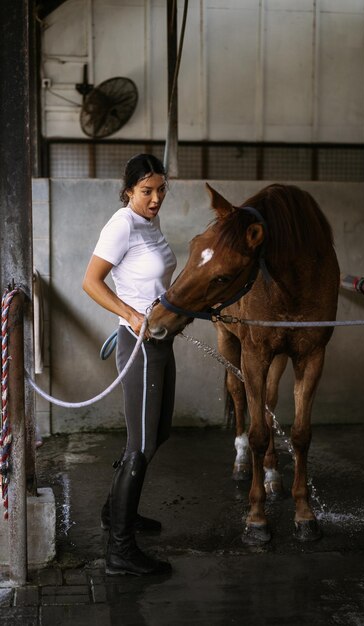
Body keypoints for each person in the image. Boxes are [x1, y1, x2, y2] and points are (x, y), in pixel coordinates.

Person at [82, 154, 177, 576]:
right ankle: (119, 550)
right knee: (140, 444)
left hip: (161, 340)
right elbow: (91, 282)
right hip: (138, 344)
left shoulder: (148, 223)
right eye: (147, 191)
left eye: (160, 190)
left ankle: (115, 510)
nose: (156, 198)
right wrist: (132, 314)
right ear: (128, 191)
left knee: (157, 433)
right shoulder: (122, 224)